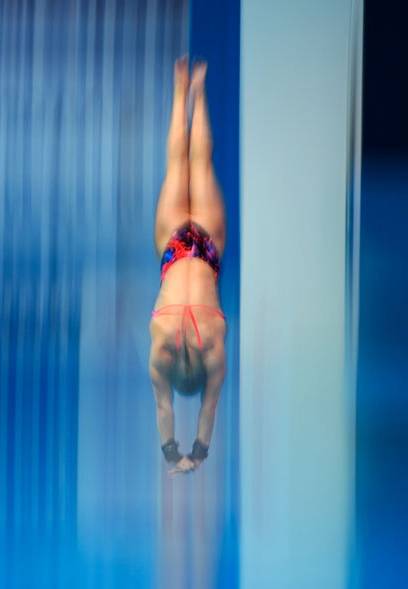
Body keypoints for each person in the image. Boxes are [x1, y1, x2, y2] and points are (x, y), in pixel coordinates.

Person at [149, 56, 227, 476]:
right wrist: (172, 452)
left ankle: (198, 89)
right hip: (174, 247)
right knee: (178, 165)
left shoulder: (215, 348)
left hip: (207, 247)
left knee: (200, 164)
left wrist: (197, 455)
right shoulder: (161, 343)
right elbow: (164, 407)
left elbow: (209, 409)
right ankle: (182, 90)